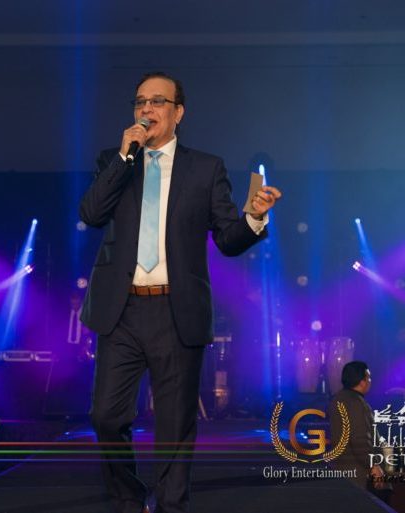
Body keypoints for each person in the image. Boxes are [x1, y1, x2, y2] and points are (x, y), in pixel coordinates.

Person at [79, 71, 281, 513]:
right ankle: (128, 496)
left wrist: (253, 218)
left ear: (178, 113)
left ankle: (171, 505)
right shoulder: (115, 161)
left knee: (174, 423)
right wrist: (124, 157)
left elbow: (228, 239)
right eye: (140, 101)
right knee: (106, 416)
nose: (146, 109)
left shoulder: (205, 168)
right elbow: (91, 214)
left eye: (157, 101)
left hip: (176, 309)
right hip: (121, 310)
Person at [328, 361, 391, 499]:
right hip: (360, 476)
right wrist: (374, 465)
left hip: (343, 473)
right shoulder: (356, 403)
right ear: (362, 382)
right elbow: (360, 439)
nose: (370, 381)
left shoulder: (338, 399)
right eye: (369, 377)